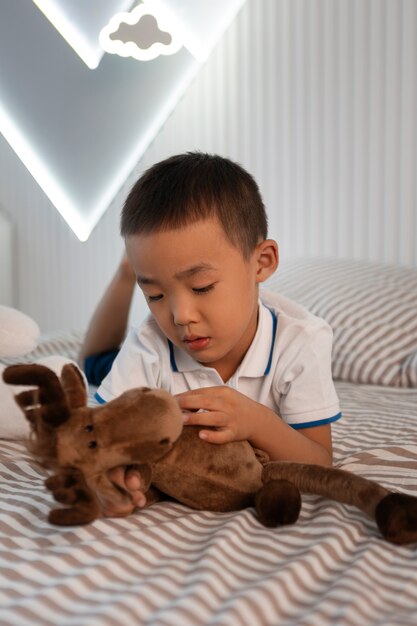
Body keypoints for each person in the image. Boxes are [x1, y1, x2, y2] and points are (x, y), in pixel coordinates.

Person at [80, 152, 341, 516]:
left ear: (261, 263)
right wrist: (116, 480)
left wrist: (256, 420)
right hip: (133, 363)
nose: (181, 317)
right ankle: (127, 273)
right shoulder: (153, 341)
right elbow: (100, 437)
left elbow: (320, 462)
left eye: (201, 287)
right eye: (154, 294)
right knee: (93, 365)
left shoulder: (300, 342)